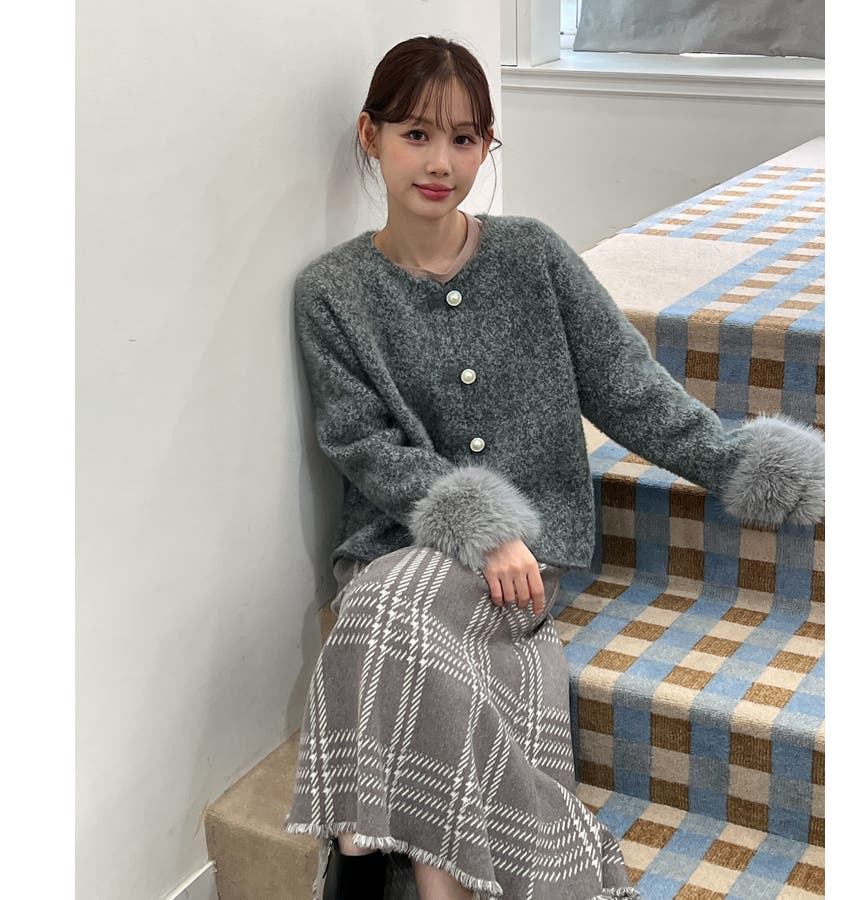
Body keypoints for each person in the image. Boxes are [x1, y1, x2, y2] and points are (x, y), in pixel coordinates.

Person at [282, 34, 825, 900]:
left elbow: (629, 389)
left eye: (465, 139)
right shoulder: (330, 293)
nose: (441, 162)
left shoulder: (531, 254)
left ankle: (359, 849)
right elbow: (363, 444)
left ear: (486, 148)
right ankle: (431, 881)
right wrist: (476, 525)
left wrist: (741, 464)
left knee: (385, 618)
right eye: (417, 134)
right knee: (389, 606)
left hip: (533, 552)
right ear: (369, 134)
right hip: (399, 538)